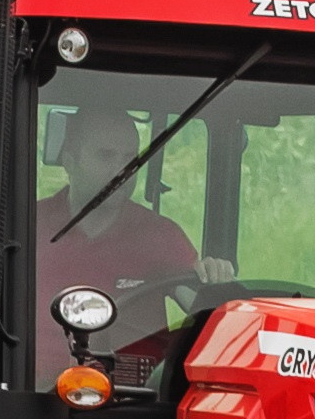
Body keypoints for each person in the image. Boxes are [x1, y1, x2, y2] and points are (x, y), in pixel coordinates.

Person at [35, 104, 198, 332]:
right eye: (106, 155)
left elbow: (204, 309)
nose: (121, 171)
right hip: (27, 369)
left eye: (130, 158)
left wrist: (216, 283)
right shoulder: (28, 228)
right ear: (70, 161)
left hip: (127, 368)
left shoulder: (160, 237)